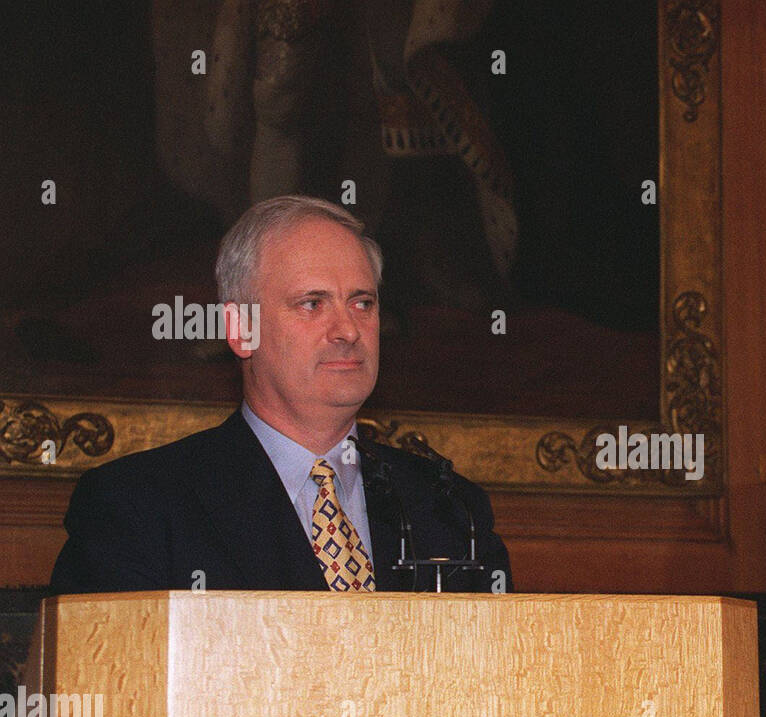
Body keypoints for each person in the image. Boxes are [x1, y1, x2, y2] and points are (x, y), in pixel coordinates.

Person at [50, 195, 510, 595]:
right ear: (240, 329)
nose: (349, 329)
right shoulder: (138, 508)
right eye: (312, 304)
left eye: (362, 303)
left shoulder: (449, 509)